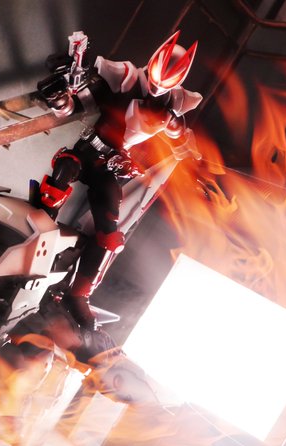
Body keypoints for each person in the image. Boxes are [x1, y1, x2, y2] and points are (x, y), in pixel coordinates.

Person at [36, 30, 203, 330]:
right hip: (89, 150)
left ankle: (79, 294)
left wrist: (176, 148)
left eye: (163, 86)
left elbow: (178, 141)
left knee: (110, 237)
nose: (155, 89)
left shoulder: (172, 107)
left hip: (110, 167)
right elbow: (83, 93)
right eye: (155, 82)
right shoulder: (127, 77)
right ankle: (35, 232)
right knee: (64, 169)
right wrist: (62, 90)